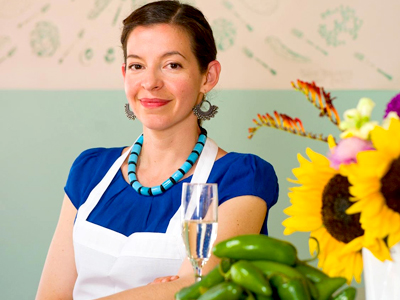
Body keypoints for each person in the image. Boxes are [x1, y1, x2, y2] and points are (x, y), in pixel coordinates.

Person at [35, 1, 279, 299]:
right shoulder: (92, 171)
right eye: (137, 66)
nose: (150, 82)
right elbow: (51, 294)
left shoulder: (225, 181)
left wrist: (178, 288)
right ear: (125, 73)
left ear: (208, 76)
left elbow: (196, 288)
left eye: (172, 65)